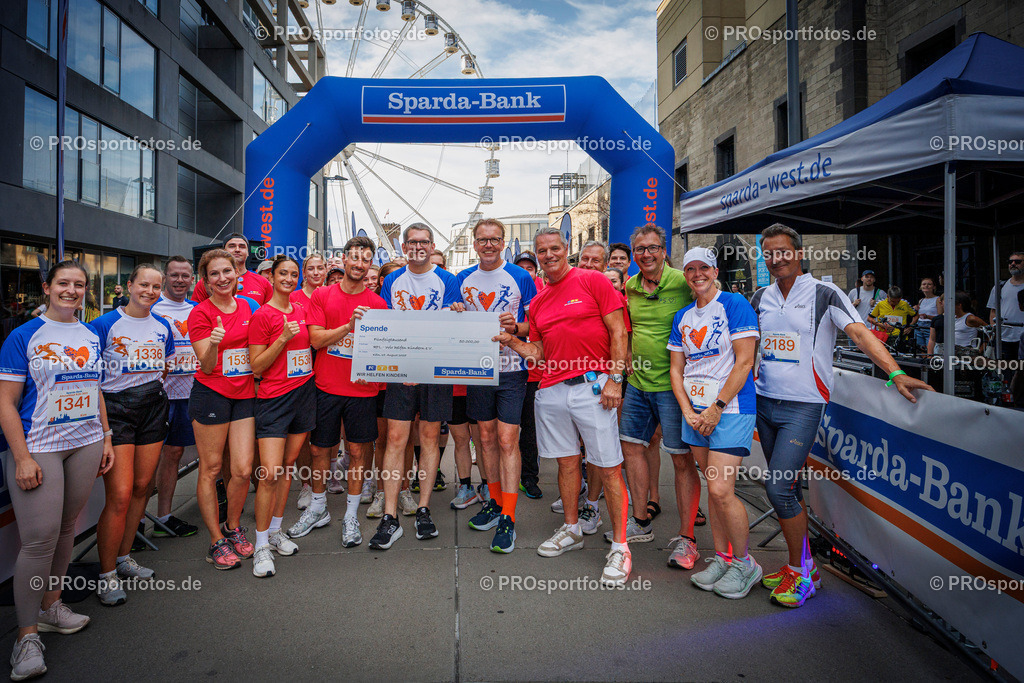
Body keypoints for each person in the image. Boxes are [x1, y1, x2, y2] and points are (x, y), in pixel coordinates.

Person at [751, 223, 932, 607]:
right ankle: (799, 566)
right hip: (764, 402)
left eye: (783, 251)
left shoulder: (824, 292)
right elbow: (750, 344)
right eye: (769, 253)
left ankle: (804, 574)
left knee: (779, 488)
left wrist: (895, 372)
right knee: (789, 489)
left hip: (804, 405)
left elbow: (862, 334)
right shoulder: (759, 296)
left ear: (798, 254)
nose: (776, 259)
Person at [495, 227, 632, 586]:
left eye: (555, 248)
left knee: (609, 466)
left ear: (566, 249)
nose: (548, 255)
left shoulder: (592, 281)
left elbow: (619, 332)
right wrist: (510, 340)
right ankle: (571, 528)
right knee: (567, 463)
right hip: (552, 390)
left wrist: (615, 379)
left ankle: (620, 545)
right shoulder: (538, 302)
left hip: (593, 385)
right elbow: (539, 353)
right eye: (542, 251)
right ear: (536, 255)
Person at [1, 262, 115, 679]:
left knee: (67, 528)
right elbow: (5, 403)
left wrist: (105, 436)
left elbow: (95, 387)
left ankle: (52, 606)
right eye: (63, 283)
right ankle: (25, 637)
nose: (71, 290)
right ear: (47, 287)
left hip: (84, 441)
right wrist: (23, 456)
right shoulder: (23, 335)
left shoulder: (89, 333)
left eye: (79, 285)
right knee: (38, 541)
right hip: (41, 445)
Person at [669, 247, 762, 598]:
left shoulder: (735, 305)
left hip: (731, 409)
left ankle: (745, 563)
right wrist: (689, 411)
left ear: (715, 270)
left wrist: (716, 408)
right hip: (694, 412)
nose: (696, 274)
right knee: (712, 488)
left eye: (703, 268)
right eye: (690, 269)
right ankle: (722, 558)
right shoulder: (682, 316)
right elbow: (677, 369)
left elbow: (744, 362)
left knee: (723, 489)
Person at [617, 224, 703, 568]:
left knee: (681, 459)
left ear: (664, 251)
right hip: (638, 383)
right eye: (640, 249)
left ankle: (687, 538)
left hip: (674, 387)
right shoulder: (630, 286)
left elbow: (712, 310)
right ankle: (640, 521)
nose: (647, 255)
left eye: (653, 248)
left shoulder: (684, 282)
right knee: (631, 447)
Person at [88, 264, 175, 604]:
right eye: (144, 284)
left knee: (143, 487)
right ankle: (106, 574)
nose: (150, 292)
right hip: (116, 410)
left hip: (153, 405)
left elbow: (163, 366)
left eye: (156, 287)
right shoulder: (104, 325)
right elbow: (89, 375)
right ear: (129, 285)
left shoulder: (162, 326)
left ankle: (124, 558)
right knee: (120, 495)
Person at [370, 223, 461, 549]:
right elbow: (385, 321)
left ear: (432, 244)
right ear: (404, 246)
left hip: (435, 370)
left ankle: (423, 508)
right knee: (395, 438)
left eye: (424, 242)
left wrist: (457, 311)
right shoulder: (393, 280)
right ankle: (390, 516)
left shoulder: (448, 280)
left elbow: (452, 323)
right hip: (401, 370)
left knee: (428, 438)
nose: (418, 247)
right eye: (412, 242)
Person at [456, 219, 537, 553]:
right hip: (477, 370)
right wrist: (455, 310)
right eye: (482, 240)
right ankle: (494, 499)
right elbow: (450, 320)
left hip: (512, 370)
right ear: (474, 244)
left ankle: (509, 515)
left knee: (507, 440)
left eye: (494, 240)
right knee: (485, 439)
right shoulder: (462, 279)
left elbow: (536, 325)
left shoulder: (521, 277)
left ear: (503, 242)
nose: (488, 245)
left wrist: (516, 326)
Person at [305, 237, 388, 548]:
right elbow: (316, 340)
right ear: (343, 259)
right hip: (326, 387)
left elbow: (385, 351)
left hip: (362, 392)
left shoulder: (379, 304)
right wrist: (348, 326)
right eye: (354, 258)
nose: (359, 264)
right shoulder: (323, 295)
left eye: (366, 259)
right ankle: (317, 508)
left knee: (357, 454)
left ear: (369, 265)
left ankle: (351, 515)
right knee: (318, 452)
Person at [188, 249, 259, 570]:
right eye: (214, 274)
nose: (222, 279)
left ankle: (232, 527)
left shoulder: (248, 306)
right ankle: (215, 539)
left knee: (243, 469)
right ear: (206, 281)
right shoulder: (200, 313)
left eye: (226, 272)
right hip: (211, 394)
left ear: (236, 273)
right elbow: (204, 362)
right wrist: (214, 341)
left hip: (244, 394)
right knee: (212, 468)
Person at [248, 256, 314, 577]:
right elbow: (257, 366)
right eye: (282, 274)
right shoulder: (263, 315)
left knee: (287, 468)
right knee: (270, 473)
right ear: (271, 277)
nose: (288, 278)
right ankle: (260, 544)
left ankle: (276, 531)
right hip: (274, 399)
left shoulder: (301, 310)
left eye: (293, 274)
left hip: (304, 394)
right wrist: (283, 338)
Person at [151, 256, 200, 539]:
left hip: (190, 393)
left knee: (177, 453)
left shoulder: (197, 309)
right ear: (165, 278)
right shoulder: (152, 310)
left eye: (185, 275)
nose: (180, 280)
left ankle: (164, 518)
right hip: (159, 396)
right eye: (174, 275)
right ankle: (135, 525)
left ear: (192, 279)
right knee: (152, 461)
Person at [290, 253, 328, 507]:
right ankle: (305, 484)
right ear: (304, 272)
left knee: (325, 432)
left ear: (326, 270)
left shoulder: (331, 295)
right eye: (311, 268)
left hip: (326, 366)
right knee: (302, 433)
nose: (315, 272)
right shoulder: (292, 298)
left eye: (320, 268)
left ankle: (325, 478)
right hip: (298, 369)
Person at [514, 251, 544, 498]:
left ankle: (529, 476)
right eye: (521, 268)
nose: (526, 272)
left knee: (531, 430)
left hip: (536, 374)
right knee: (507, 431)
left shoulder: (544, 295)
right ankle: (507, 476)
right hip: (509, 370)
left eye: (530, 268)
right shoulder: (509, 295)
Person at [986, 251, 1024, 406]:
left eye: (1017, 261)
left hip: (1023, 338)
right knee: (1005, 373)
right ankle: (1009, 404)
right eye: (1010, 261)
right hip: (1004, 338)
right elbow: (993, 311)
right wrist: (995, 330)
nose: (1013, 264)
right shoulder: (1000, 285)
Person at [191, 234, 272, 305]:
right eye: (232, 246)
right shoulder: (207, 282)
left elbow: (271, 314)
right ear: (223, 251)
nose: (237, 249)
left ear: (248, 253)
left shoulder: (263, 282)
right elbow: (195, 311)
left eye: (242, 246)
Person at [927, 292, 985, 357]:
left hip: (966, 354)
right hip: (953, 354)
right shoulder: (953, 318)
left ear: (959, 305)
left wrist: (980, 350)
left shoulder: (970, 318)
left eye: (950, 304)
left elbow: (989, 332)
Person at [914, 278, 943, 350]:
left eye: (929, 284)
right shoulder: (921, 300)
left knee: (930, 349)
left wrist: (928, 316)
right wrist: (910, 326)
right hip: (919, 327)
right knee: (920, 349)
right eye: (924, 284)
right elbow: (917, 316)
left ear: (934, 287)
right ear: (921, 287)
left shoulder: (937, 299)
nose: (926, 286)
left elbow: (940, 317)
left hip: (930, 327)